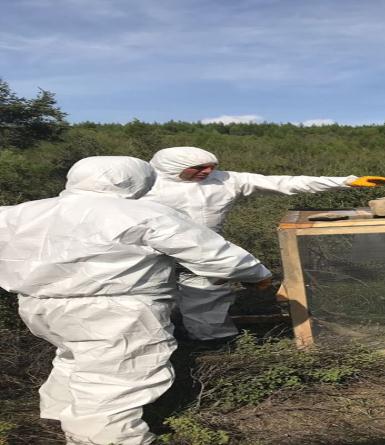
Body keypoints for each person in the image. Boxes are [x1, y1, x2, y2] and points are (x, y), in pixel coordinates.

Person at [0, 156, 272, 445]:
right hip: (114, 310)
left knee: (75, 359)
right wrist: (256, 275)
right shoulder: (142, 212)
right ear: (137, 179)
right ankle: (104, 438)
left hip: (39, 307)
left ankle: (56, 420)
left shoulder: (18, 213)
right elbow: (210, 252)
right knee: (116, 380)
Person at [141, 146, 385, 340]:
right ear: (171, 168)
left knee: (207, 296)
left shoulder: (227, 179)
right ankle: (162, 342)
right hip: (146, 252)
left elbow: (284, 183)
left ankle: (212, 342)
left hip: (204, 251)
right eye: (199, 168)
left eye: (211, 166)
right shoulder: (144, 184)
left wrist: (345, 181)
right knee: (148, 300)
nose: (208, 172)